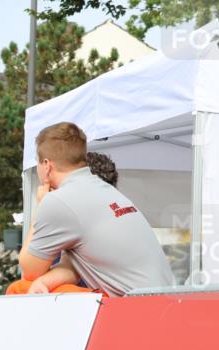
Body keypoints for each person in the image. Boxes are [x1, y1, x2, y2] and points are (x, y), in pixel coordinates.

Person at [10, 122, 174, 297]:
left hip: (135, 308)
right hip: (163, 302)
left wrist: (40, 209)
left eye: (37, 162)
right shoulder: (102, 189)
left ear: (47, 165)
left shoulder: (58, 201)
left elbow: (29, 271)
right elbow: (74, 266)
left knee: (18, 289)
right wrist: (44, 282)